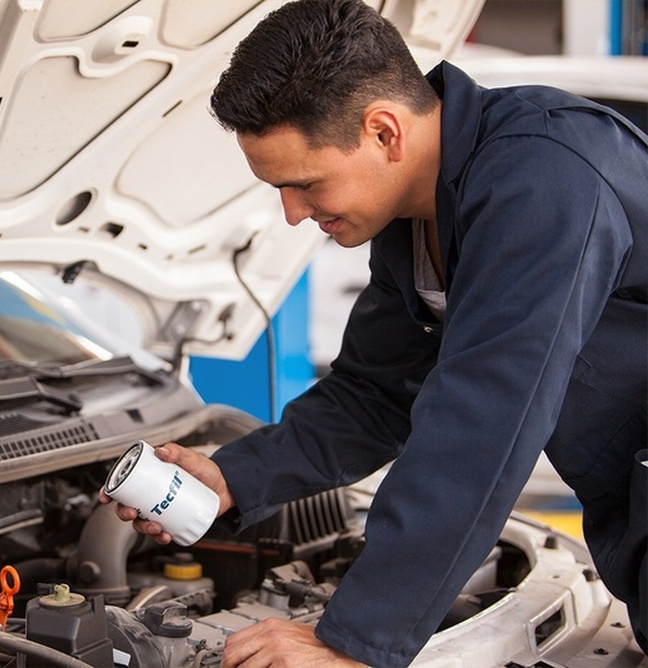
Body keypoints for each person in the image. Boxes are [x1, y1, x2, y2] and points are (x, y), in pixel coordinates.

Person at [100, 0, 648, 665]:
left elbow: (488, 420)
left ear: (384, 132)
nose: (294, 215)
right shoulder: (418, 220)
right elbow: (374, 392)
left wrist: (355, 641)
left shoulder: (543, 179)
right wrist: (230, 477)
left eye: (305, 185)